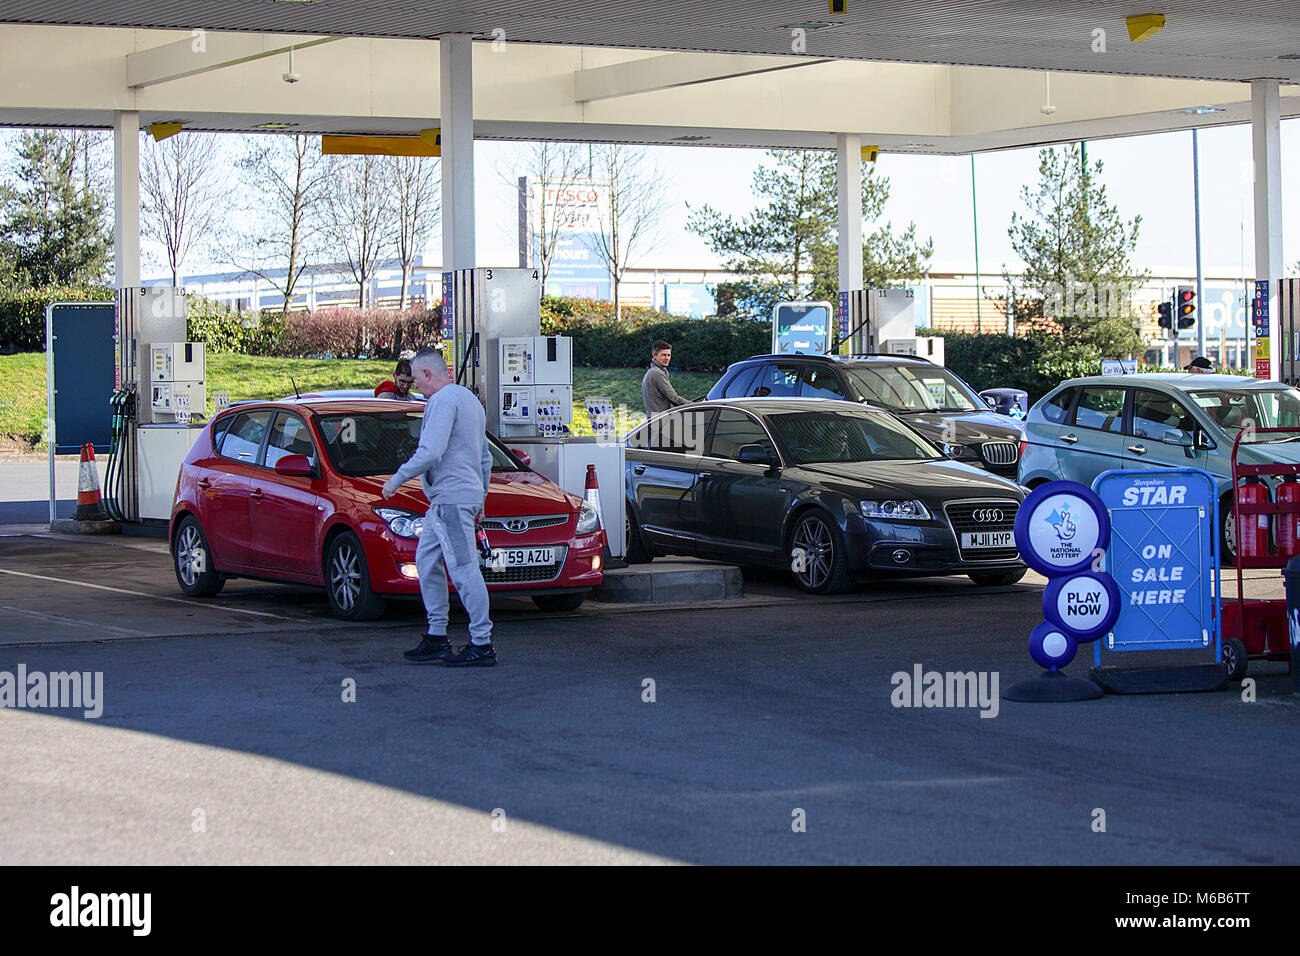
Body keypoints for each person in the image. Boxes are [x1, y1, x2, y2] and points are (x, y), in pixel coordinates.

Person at [381, 347, 496, 667]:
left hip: (450, 500)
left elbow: (430, 451)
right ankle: (436, 637)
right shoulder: (469, 400)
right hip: (453, 500)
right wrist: (481, 498)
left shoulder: (441, 402)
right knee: (427, 560)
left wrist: (395, 481)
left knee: (463, 569)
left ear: (428, 375)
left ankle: (482, 644)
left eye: (416, 378)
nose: (414, 385)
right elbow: (485, 458)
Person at [642, 340, 690, 417]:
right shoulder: (657, 374)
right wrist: (696, 406)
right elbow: (674, 398)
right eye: (664, 355)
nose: (667, 358)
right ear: (655, 355)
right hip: (662, 422)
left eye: (669, 355)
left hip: (656, 421)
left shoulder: (653, 372)